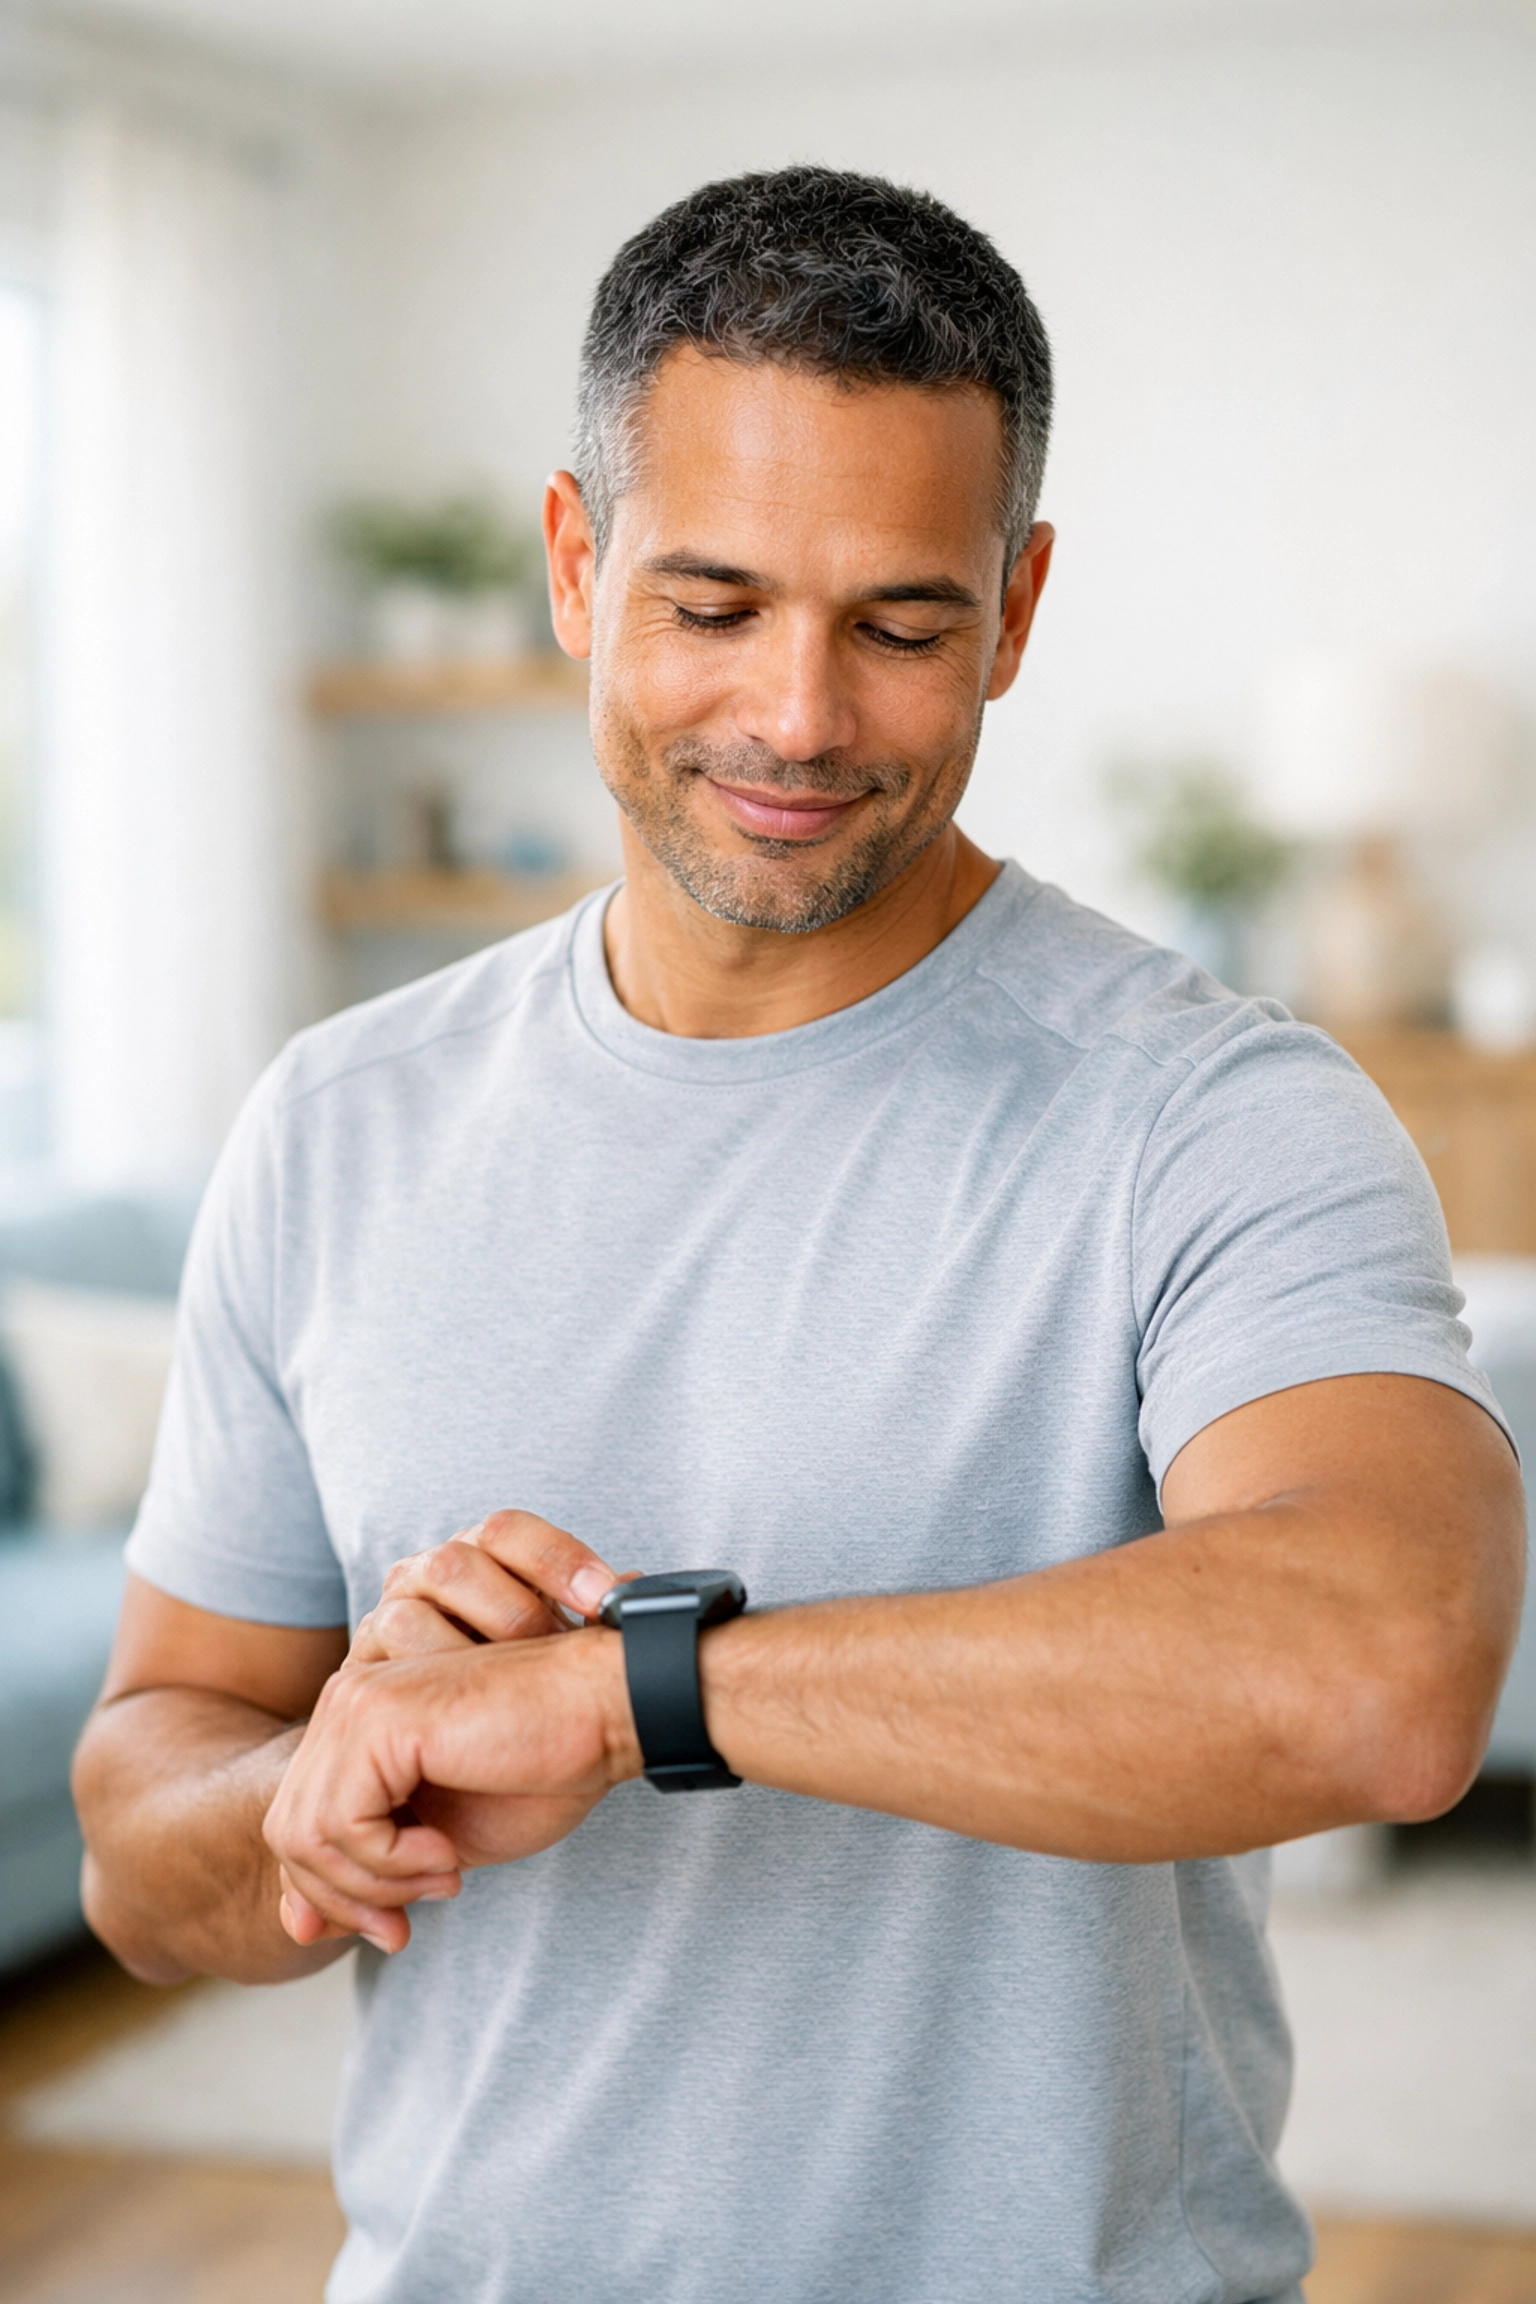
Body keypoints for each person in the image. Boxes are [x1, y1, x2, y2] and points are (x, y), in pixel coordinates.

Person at [75, 167, 1523, 2304]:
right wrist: (305, 1804)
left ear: (1018, 611)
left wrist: (622, 1696)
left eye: (903, 625)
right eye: (714, 602)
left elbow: (1385, 1674)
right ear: (577, 566)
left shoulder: (1215, 1113)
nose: (797, 719)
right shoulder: (337, 1124)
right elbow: (140, 1812)